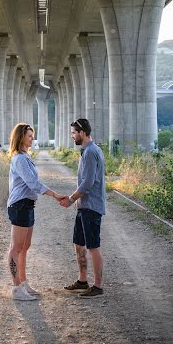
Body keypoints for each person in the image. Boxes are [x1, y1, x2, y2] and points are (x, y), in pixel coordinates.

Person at [7, 122, 64, 301]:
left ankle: (23, 283)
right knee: (16, 248)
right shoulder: (20, 159)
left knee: (25, 247)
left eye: (33, 135)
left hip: (28, 205)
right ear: (21, 137)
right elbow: (33, 183)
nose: (32, 139)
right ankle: (16, 289)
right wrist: (54, 194)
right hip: (19, 205)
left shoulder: (26, 157)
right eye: (30, 136)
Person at [60, 118, 106, 298]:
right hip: (84, 206)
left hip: (91, 206)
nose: (72, 136)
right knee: (79, 242)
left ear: (82, 132)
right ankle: (82, 280)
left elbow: (87, 184)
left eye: (74, 133)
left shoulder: (90, 152)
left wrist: (71, 199)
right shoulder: (87, 151)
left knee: (93, 246)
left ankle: (98, 286)